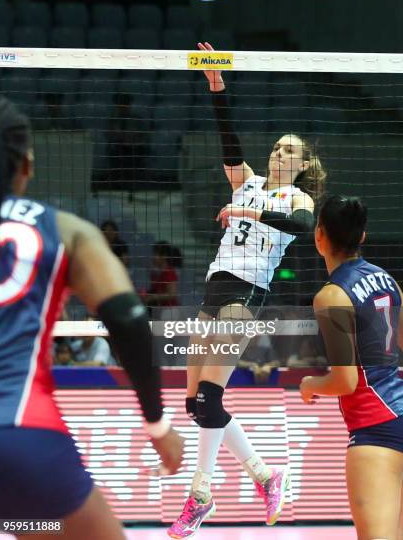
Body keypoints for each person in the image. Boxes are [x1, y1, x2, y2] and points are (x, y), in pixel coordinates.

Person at [0, 95, 184, 540]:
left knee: (28, 526)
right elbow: (128, 320)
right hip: (23, 433)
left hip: (22, 456)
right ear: (26, 165)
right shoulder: (62, 229)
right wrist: (157, 424)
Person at [168, 43, 326, 538]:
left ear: (303, 165)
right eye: (278, 146)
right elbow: (228, 143)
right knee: (195, 404)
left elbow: (301, 225)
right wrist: (218, 88)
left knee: (210, 400)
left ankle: (201, 493)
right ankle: (263, 475)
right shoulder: (248, 182)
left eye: (290, 150)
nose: (280, 151)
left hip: (246, 293)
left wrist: (248, 213)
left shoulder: (295, 195)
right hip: (215, 289)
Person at [299, 195, 403, 540]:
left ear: (319, 236)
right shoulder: (388, 280)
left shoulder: (331, 296)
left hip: (376, 426)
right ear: (362, 236)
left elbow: (344, 381)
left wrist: (310, 384)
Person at [143, 241, 182, 309]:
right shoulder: (160, 273)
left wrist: (154, 297)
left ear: (164, 256)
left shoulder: (169, 272)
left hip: (169, 311)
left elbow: (172, 294)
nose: (153, 257)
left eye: (155, 254)